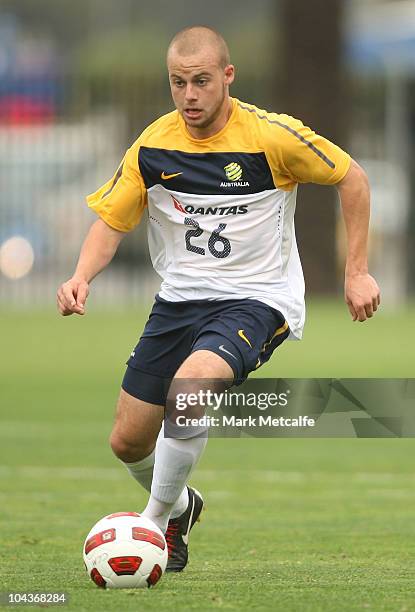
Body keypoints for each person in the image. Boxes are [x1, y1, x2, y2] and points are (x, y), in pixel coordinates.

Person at [56, 25, 380, 572]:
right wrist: (81, 275)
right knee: (128, 442)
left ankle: (154, 525)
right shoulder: (154, 144)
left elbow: (354, 180)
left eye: (201, 82)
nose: (189, 96)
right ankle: (182, 506)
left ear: (227, 77)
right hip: (179, 301)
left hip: (258, 299)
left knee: (191, 388)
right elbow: (110, 222)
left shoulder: (271, 137)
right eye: (178, 83)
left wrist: (357, 273)